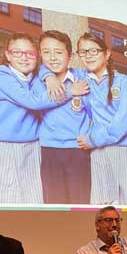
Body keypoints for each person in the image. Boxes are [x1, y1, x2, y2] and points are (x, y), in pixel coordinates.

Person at [0, 32, 87, 204]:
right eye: (17, 52)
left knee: (32, 198)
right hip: (4, 147)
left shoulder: (36, 77)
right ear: (7, 55)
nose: (24, 58)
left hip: (32, 148)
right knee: (2, 198)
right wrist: (69, 91)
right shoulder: (2, 74)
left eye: (30, 54)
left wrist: (48, 76)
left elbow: (45, 68)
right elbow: (32, 101)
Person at [72, 33, 127, 206]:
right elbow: (52, 68)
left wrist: (92, 139)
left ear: (107, 54)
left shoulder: (124, 82)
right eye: (83, 52)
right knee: (103, 206)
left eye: (93, 50)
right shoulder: (82, 81)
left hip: (124, 148)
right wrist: (49, 79)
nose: (88, 56)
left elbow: (125, 122)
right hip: (98, 152)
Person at [34, 30, 92, 204]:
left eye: (59, 52)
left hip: (78, 150)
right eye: (46, 52)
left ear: (70, 55)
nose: (52, 58)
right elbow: (35, 103)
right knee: (53, 202)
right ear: (40, 55)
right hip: (49, 149)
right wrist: (47, 75)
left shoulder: (82, 77)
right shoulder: (38, 81)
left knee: (80, 201)